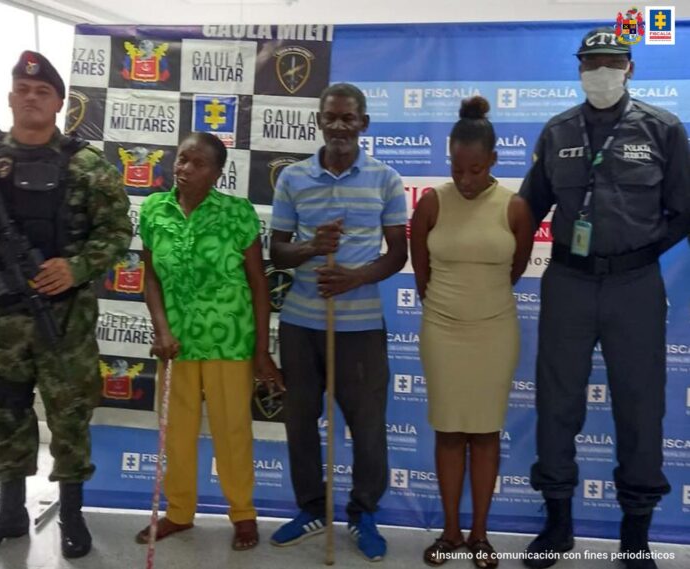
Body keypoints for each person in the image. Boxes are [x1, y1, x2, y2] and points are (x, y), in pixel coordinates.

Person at [0, 51, 132, 558]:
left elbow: (117, 233)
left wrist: (78, 267)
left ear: (60, 103)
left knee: (69, 418)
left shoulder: (87, 167)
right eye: (23, 89)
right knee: (5, 413)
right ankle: (10, 512)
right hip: (2, 321)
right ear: (10, 98)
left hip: (65, 319)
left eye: (42, 92)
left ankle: (70, 514)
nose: (31, 97)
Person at [519, 28, 690, 569]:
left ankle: (635, 534)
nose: (601, 71)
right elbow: (528, 207)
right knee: (556, 403)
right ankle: (558, 525)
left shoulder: (663, 130)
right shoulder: (557, 131)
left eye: (611, 62)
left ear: (630, 69)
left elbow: (685, 208)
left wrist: (640, 252)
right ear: (579, 70)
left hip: (634, 288)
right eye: (591, 63)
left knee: (641, 406)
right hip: (568, 282)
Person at [268, 82, 408, 561]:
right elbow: (277, 251)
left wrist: (353, 278)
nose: (340, 126)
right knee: (300, 422)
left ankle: (363, 511)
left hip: (361, 326)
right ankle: (311, 507)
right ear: (320, 120)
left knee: (368, 426)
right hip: (302, 323)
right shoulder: (293, 177)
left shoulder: (385, 178)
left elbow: (398, 254)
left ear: (363, 123)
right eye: (332, 116)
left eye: (349, 118)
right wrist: (312, 247)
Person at [134, 132, 283, 551]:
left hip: (228, 341)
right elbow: (151, 278)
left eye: (197, 163)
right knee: (176, 432)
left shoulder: (238, 214)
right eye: (181, 159)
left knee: (231, 431)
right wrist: (161, 329)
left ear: (217, 173)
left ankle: (243, 515)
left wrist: (260, 351)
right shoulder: (153, 210)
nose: (184, 169)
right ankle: (179, 513)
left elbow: (258, 284)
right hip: (175, 345)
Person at [411, 96, 534, 567]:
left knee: (484, 434)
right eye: (457, 169)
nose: (465, 180)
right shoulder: (430, 204)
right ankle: (450, 532)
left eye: (476, 170)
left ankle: (480, 535)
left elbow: (515, 269)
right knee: (448, 432)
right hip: (441, 330)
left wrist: (480, 303)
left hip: (494, 332)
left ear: (494, 162)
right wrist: (447, 307)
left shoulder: (516, 207)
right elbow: (420, 271)